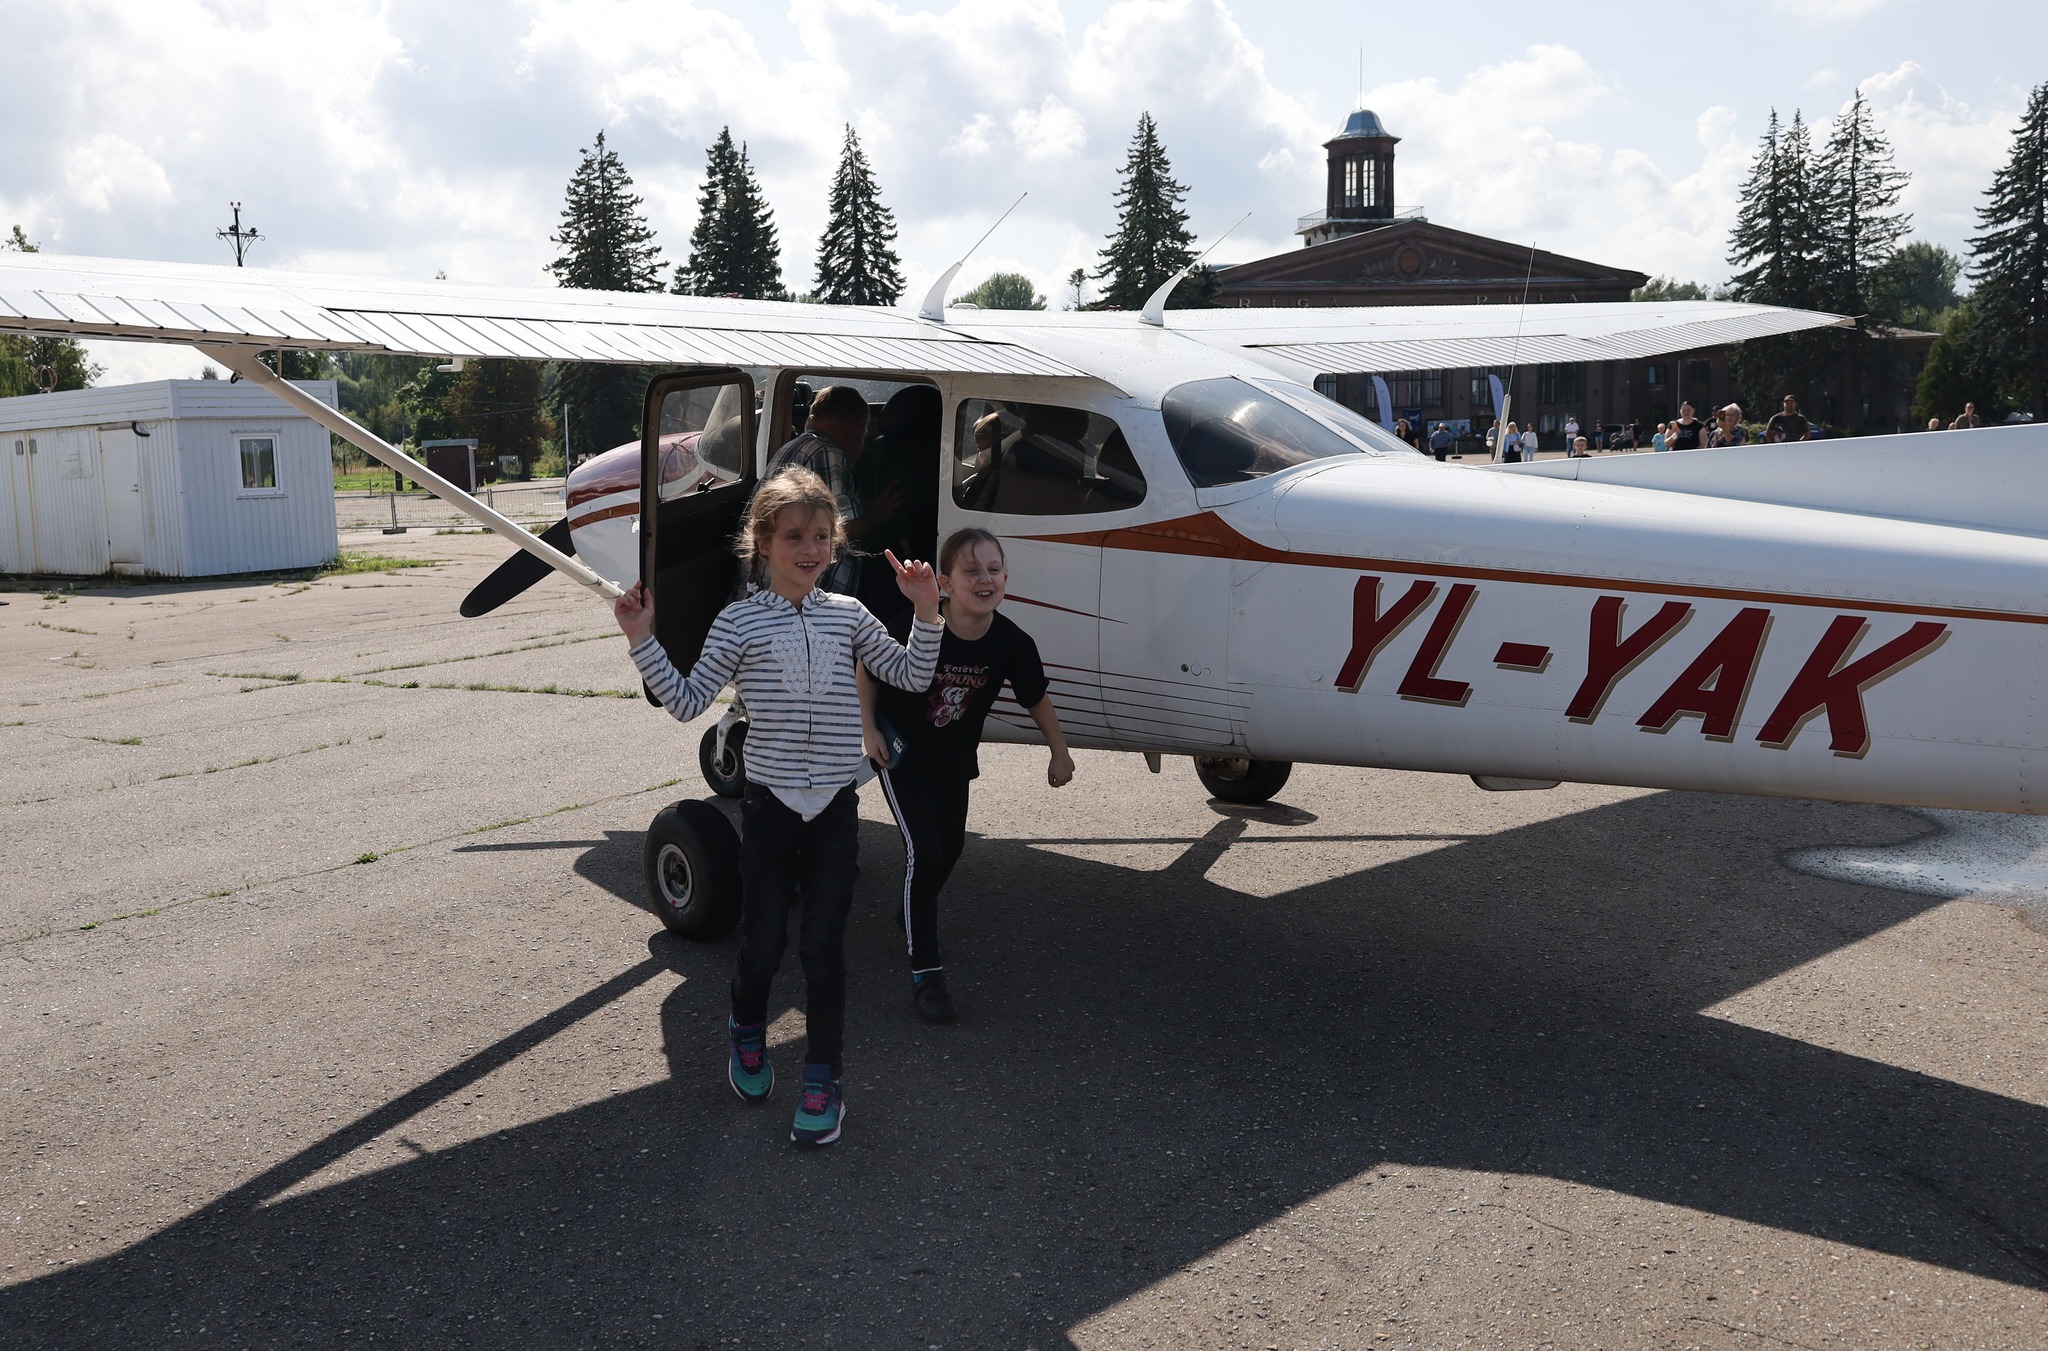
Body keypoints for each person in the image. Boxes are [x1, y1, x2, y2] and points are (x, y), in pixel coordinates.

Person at [613, 467, 944, 1147]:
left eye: (821, 535)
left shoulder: (849, 615)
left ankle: (824, 1078)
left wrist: (927, 612)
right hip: (768, 809)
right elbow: (686, 702)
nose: (810, 548)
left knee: (823, 949)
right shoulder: (738, 622)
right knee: (763, 943)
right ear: (763, 543)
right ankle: (746, 1027)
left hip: (834, 809)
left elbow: (912, 675)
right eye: (794, 535)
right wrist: (643, 639)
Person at [860, 528, 1076, 1023]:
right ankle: (927, 974)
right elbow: (867, 670)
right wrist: (869, 728)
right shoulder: (916, 624)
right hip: (901, 753)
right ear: (944, 583)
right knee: (924, 852)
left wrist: (1059, 752)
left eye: (993, 569)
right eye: (971, 570)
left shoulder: (1012, 642)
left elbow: (1036, 697)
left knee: (951, 847)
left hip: (954, 758)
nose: (984, 579)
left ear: (1006, 579)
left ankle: (912, 911)